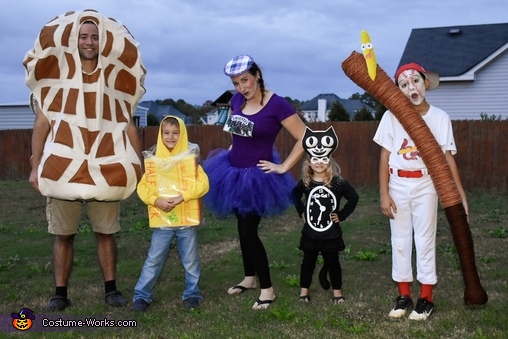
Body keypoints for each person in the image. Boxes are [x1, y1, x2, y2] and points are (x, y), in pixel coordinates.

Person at [24, 10, 146, 311]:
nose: (89, 42)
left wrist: (136, 164)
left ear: (101, 41)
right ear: (74, 40)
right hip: (62, 167)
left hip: (105, 167)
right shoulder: (57, 79)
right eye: (84, 36)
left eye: (94, 37)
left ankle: (111, 289)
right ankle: (60, 293)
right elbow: (43, 123)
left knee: (106, 233)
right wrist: (35, 166)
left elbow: (127, 123)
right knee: (63, 235)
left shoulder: (114, 82)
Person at [203, 55, 306, 310]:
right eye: (236, 83)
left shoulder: (278, 105)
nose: (242, 88)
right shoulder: (237, 100)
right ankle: (249, 278)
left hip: (257, 178)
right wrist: (231, 150)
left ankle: (267, 290)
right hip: (231, 172)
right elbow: (237, 130)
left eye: (245, 81)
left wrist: (283, 167)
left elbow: (305, 137)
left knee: (249, 231)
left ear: (257, 75)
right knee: (241, 227)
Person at [373, 63, 469, 320]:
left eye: (415, 81)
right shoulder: (391, 117)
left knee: (425, 240)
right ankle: (403, 295)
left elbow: (448, 159)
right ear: (398, 91)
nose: (410, 88)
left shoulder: (439, 118)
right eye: (403, 85)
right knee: (400, 240)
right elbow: (384, 157)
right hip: (398, 185)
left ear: (426, 83)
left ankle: (426, 297)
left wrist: (460, 194)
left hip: (427, 185)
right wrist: (384, 192)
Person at [131, 116, 209, 311]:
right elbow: (143, 187)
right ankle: (142, 296)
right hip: (162, 222)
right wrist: (156, 200)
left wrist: (183, 196)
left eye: (176, 133)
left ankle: (192, 294)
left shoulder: (190, 159)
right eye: (166, 133)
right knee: (154, 259)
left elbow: (203, 183)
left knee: (190, 260)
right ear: (161, 134)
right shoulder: (154, 161)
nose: (171, 137)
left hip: (186, 221)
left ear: (182, 134)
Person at [291, 127, 358, 304]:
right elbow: (294, 195)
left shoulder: (337, 182)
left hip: (331, 233)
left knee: (333, 262)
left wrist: (341, 215)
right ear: (309, 162)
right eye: (315, 159)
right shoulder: (306, 182)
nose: (319, 162)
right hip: (311, 232)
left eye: (323, 158)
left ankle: (337, 293)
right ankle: (304, 292)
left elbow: (353, 197)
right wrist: (301, 211)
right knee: (308, 262)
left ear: (329, 161)